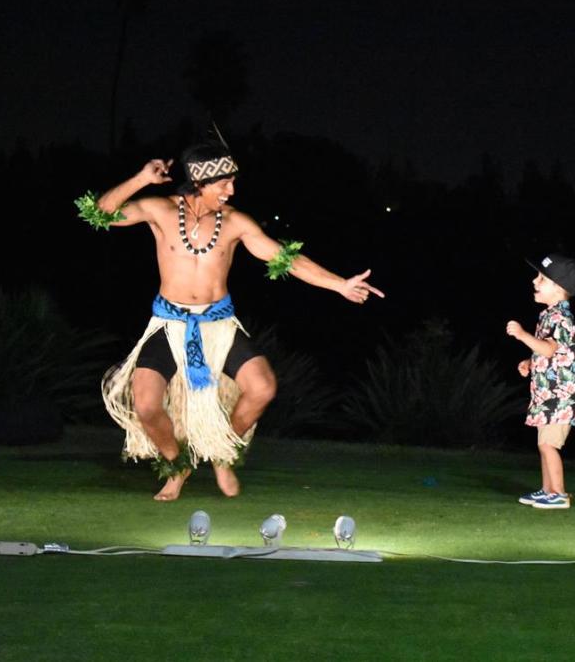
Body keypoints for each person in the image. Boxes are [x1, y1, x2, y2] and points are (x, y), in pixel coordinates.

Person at [81, 142, 384, 501]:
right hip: (168, 324)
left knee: (262, 387)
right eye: (224, 184)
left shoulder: (236, 223)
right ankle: (178, 467)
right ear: (199, 182)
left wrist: (339, 284)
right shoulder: (161, 211)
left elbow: (285, 258)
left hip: (218, 326)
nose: (232, 191)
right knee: (146, 403)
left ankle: (223, 452)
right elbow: (100, 213)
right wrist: (142, 178)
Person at [505, 253, 575, 510]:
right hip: (548, 395)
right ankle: (547, 490)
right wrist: (530, 363)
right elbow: (550, 352)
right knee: (543, 444)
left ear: (559, 289)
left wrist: (522, 335)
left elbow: (550, 349)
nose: (534, 281)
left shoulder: (560, 317)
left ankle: (558, 494)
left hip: (559, 397)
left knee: (549, 445)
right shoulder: (549, 315)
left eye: (542, 278)